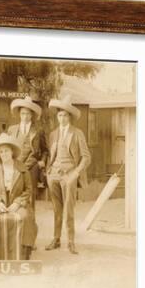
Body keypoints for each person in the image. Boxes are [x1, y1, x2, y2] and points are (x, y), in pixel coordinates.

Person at [45, 95, 91, 255]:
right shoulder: (53, 134)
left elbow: (86, 156)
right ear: (57, 116)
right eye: (59, 115)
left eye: (65, 115)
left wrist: (76, 173)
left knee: (68, 209)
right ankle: (56, 239)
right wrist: (48, 172)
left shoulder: (77, 133)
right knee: (57, 209)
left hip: (69, 175)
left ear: (69, 116)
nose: (62, 118)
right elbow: (50, 156)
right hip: (54, 175)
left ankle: (71, 241)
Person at [0, 133, 38, 260]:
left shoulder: (22, 168)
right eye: (1, 152)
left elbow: (29, 189)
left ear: (12, 151)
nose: (4, 154)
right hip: (0, 201)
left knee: (25, 217)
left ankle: (23, 251)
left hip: (17, 200)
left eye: (6, 151)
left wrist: (18, 203)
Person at [7, 96, 48, 212]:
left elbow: (45, 150)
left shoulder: (38, 130)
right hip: (16, 168)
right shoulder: (12, 130)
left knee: (30, 197)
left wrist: (42, 161)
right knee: (14, 195)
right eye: (23, 113)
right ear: (19, 114)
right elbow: (8, 148)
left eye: (28, 114)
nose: (25, 116)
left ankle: (30, 225)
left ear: (32, 115)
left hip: (32, 168)